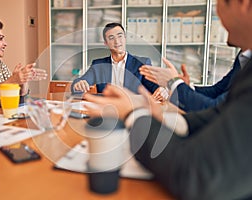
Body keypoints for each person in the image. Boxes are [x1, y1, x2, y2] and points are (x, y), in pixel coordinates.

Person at [84, 0, 252, 199]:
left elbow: (196, 176)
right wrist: (152, 111)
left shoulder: (139, 63)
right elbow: (218, 113)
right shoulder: (246, 65)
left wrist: (135, 112)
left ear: (244, 4)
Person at [139, 49, 252, 112]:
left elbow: (215, 108)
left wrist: (175, 83)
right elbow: (217, 90)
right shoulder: (243, 57)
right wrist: (185, 86)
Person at [71, 22, 159, 96]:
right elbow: (79, 82)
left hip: (132, 111)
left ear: (125, 38)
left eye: (120, 36)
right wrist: (78, 84)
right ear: (106, 43)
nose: (117, 41)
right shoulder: (98, 65)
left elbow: (153, 87)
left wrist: (161, 90)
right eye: (111, 38)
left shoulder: (142, 63)